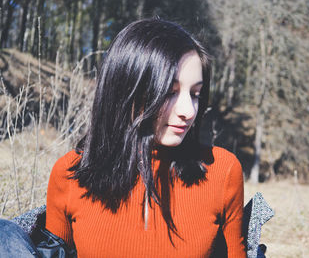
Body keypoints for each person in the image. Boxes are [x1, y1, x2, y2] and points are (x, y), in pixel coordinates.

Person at [0, 19, 246, 257]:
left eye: (195, 94)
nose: (189, 111)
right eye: (170, 92)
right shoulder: (70, 174)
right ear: (127, 90)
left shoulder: (221, 171)